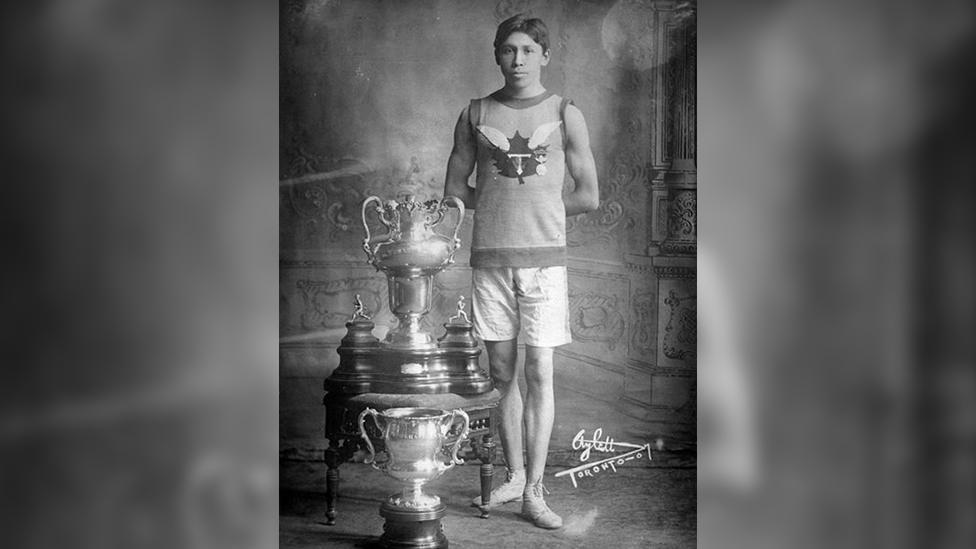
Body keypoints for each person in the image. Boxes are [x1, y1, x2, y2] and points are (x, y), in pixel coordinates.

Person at [442, 14, 599, 530]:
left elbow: (588, 195)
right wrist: (495, 206)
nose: (518, 60)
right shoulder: (476, 113)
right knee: (503, 373)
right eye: (509, 50)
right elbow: (455, 190)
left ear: (545, 56)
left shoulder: (565, 113)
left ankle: (535, 490)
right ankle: (514, 475)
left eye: (528, 50)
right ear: (496, 55)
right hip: (490, 260)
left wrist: (542, 214)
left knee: (539, 373)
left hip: (545, 264)